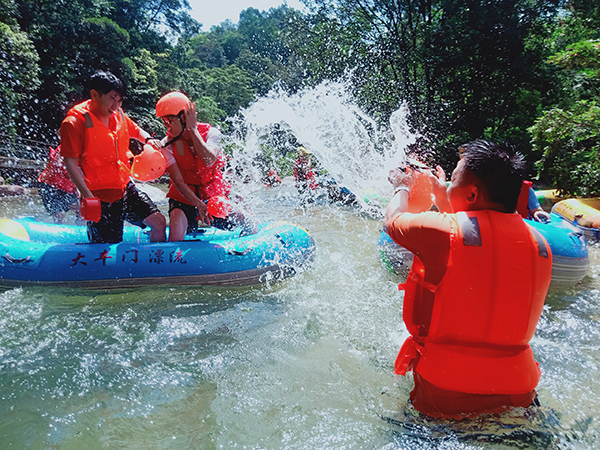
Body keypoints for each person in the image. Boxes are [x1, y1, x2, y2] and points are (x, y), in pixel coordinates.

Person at [383, 140, 552, 420]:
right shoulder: (540, 243)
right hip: (519, 394)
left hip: (445, 391)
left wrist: (402, 185)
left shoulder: (438, 232)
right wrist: (443, 197)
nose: (447, 185)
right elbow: (478, 247)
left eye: (453, 180)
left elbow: (394, 221)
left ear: (472, 194)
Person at [61, 71, 166, 243]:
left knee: (158, 222)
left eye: (119, 100)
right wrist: (87, 196)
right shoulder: (74, 123)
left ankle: (157, 267)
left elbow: (136, 131)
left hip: (124, 187)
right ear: (94, 95)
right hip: (97, 194)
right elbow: (71, 164)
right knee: (106, 245)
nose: (116, 105)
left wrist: (148, 139)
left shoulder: (119, 114)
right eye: (112, 98)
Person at [155, 91, 255, 241]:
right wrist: (198, 204)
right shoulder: (167, 144)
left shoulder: (212, 133)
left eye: (169, 120)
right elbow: (178, 181)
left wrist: (193, 130)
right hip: (185, 196)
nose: (166, 126)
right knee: (176, 225)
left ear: (184, 117)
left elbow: (209, 160)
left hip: (212, 194)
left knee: (243, 219)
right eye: (163, 121)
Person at [37, 145, 80, 223]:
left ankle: (82, 231)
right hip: (49, 184)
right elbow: (63, 167)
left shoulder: (85, 152)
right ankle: (56, 229)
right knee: (59, 215)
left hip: (67, 187)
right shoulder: (66, 148)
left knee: (81, 210)